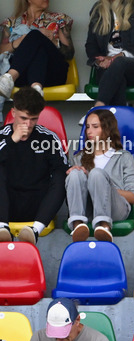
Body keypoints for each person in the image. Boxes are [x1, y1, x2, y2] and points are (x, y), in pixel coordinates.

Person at [0, 87, 68, 243]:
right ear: (13, 112)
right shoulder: (2, 135)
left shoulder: (47, 138)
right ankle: (2, 228)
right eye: (24, 118)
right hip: (6, 205)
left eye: (34, 119)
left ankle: (34, 230)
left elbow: (62, 169)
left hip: (37, 206)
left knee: (62, 174)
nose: (28, 124)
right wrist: (12, 140)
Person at [65, 108, 134, 242]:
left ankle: (104, 227)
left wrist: (104, 188)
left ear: (107, 129)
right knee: (75, 173)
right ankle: (78, 226)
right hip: (89, 210)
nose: (89, 131)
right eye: (87, 127)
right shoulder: (78, 158)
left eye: (95, 127)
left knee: (97, 174)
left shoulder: (124, 157)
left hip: (116, 209)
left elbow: (133, 197)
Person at [85, 0, 134, 107]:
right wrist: (99, 60)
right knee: (117, 78)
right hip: (109, 68)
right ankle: (117, 119)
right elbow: (90, 45)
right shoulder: (98, 9)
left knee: (118, 63)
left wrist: (120, 56)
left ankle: (99, 107)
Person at [0, 0, 73, 99]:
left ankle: (9, 78)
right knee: (38, 49)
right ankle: (36, 89)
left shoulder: (59, 19)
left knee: (35, 35)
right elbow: (1, 51)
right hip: (23, 76)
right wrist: (19, 41)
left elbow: (69, 54)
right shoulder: (11, 23)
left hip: (52, 75)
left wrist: (53, 41)